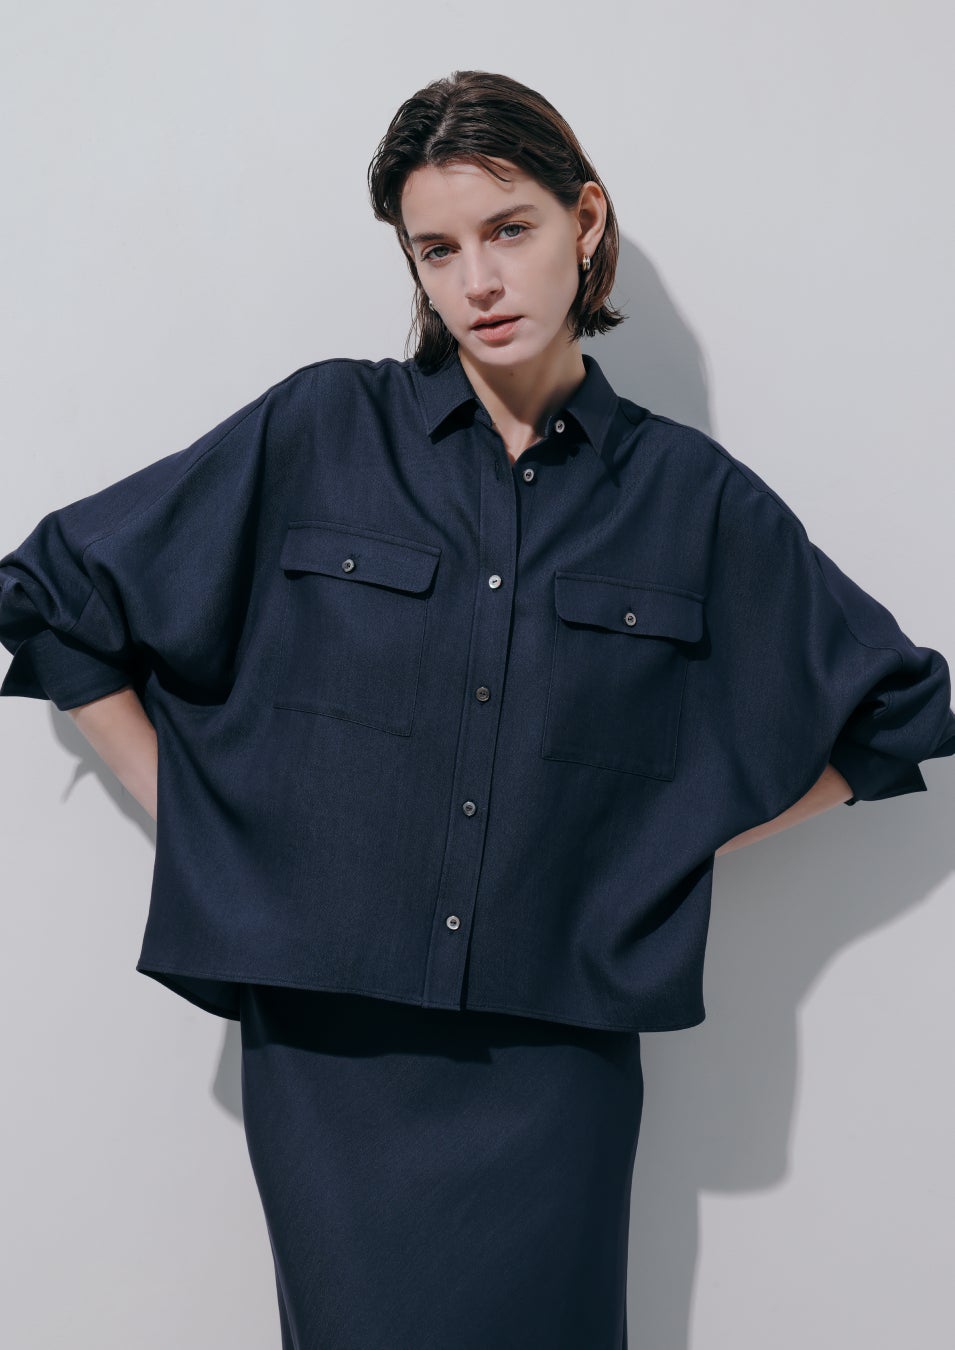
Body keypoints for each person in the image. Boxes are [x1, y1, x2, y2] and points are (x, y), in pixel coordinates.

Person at [2, 68, 953, 1350]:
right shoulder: (320, 429)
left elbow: (894, 711)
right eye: (437, 250)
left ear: (585, 221)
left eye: (509, 230)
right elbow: (55, 597)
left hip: (553, 1059)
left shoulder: (690, 498)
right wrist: (198, 819)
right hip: (328, 1052)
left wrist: (660, 849)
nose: (478, 282)